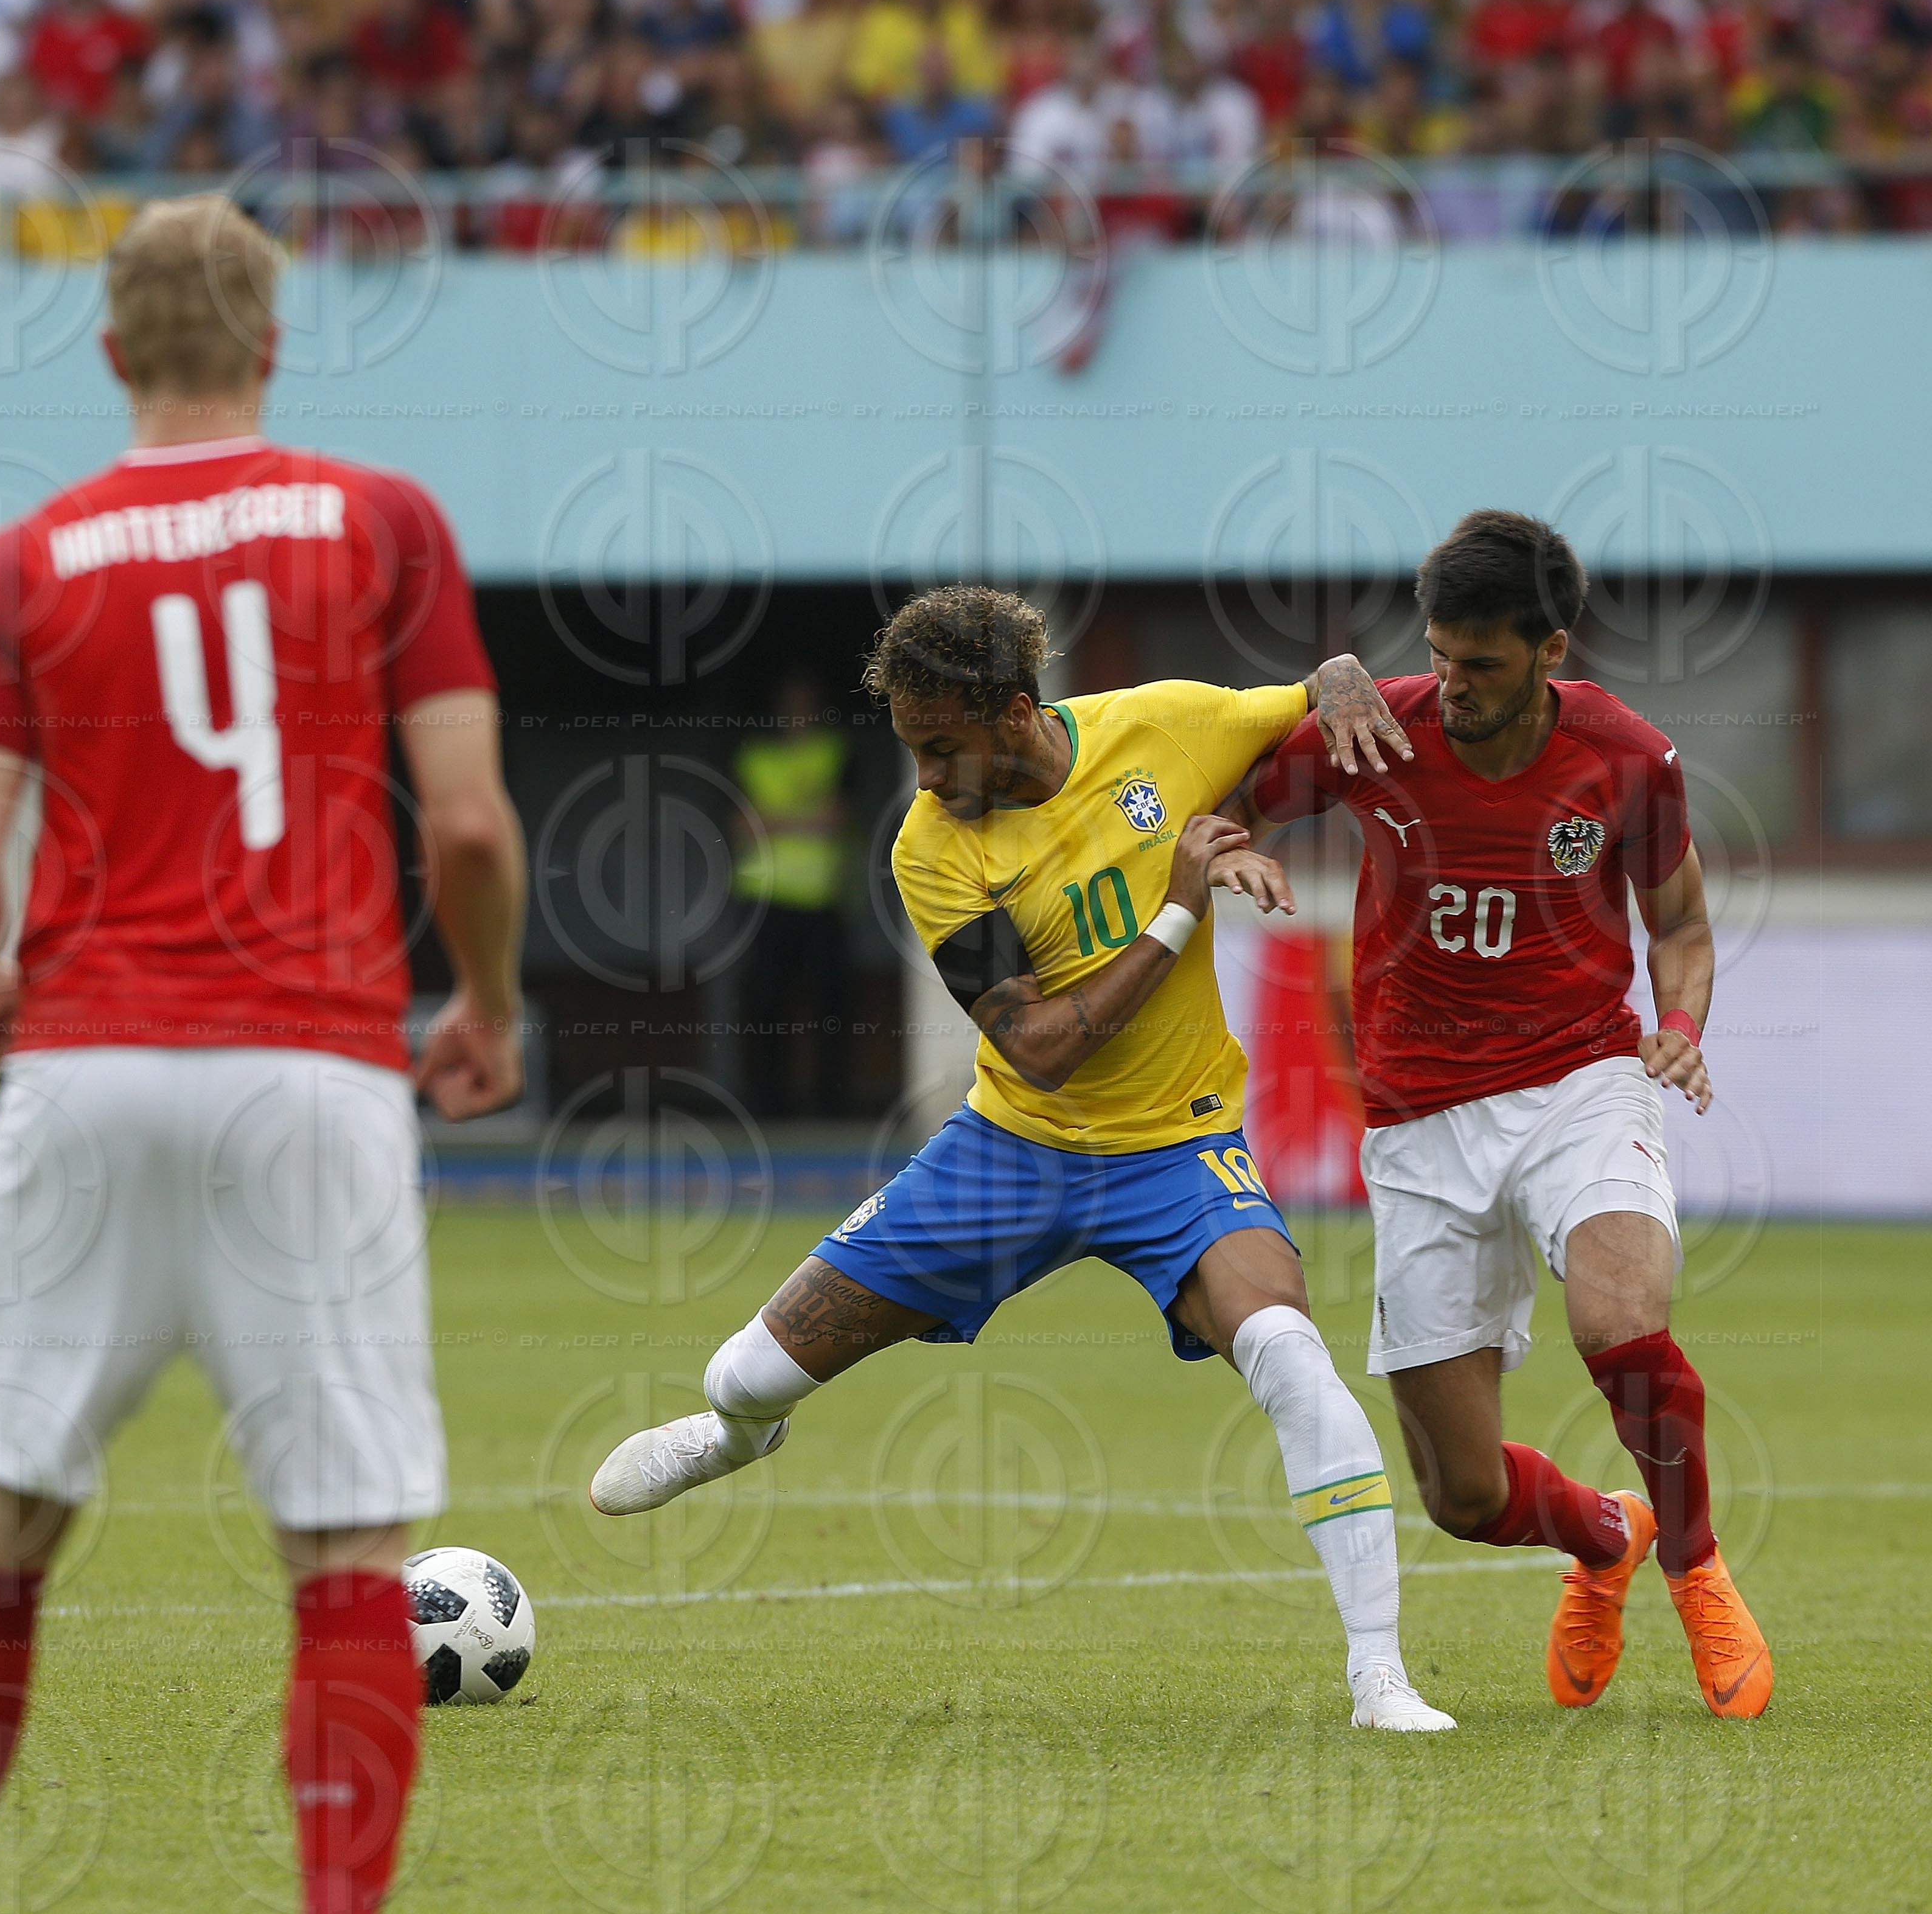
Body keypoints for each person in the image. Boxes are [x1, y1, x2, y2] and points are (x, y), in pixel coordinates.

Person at [0, 195, 526, 1914]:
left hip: (81, 1069)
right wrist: (481, 1003)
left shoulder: (21, 559)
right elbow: (467, 830)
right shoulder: (382, 523)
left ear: (109, 353)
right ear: (274, 346)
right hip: (307, 1068)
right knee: (344, 1542)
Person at [590, 583, 1455, 1735]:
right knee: (738, 1376)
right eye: (909, 750)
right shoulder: (930, 850)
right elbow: (1041, 1049)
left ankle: (1379, 1678)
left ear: (1010, 712)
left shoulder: (1162, 725)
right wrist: (1177, 913)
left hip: (1177, 1145)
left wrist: (1344, 671)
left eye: (940, 748)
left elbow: (1316, 696)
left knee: (1290, 1352)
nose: (924, 778)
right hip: (1012, 1149)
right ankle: (738, 1439)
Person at [1233, 509, 1773, 1720]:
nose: (1454, 686)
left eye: (1482, 664)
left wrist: (1677, 1035)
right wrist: (1240, 822)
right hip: (1419, 1118)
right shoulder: (1381, 730)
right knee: (1462, 1499)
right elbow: (1227, 788)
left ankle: (1697, 1570)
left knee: (1621, 1325)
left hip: (1583, 1078)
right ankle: (1604, 1537)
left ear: (1551, 651)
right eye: (1441, 655)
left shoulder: (1627, 757)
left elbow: (1680, 925)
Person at [733, 671, 853, 1119]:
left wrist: (773, 820)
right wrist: (806, 817)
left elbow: (838, 819)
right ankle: (768, 1106)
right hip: (763, 899)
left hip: (823, 898)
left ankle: (830, 1104)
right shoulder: (755, 757)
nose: (799, 716)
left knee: (830, 1007)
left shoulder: (835, 752)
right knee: (764, 1005)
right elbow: (740, 826)